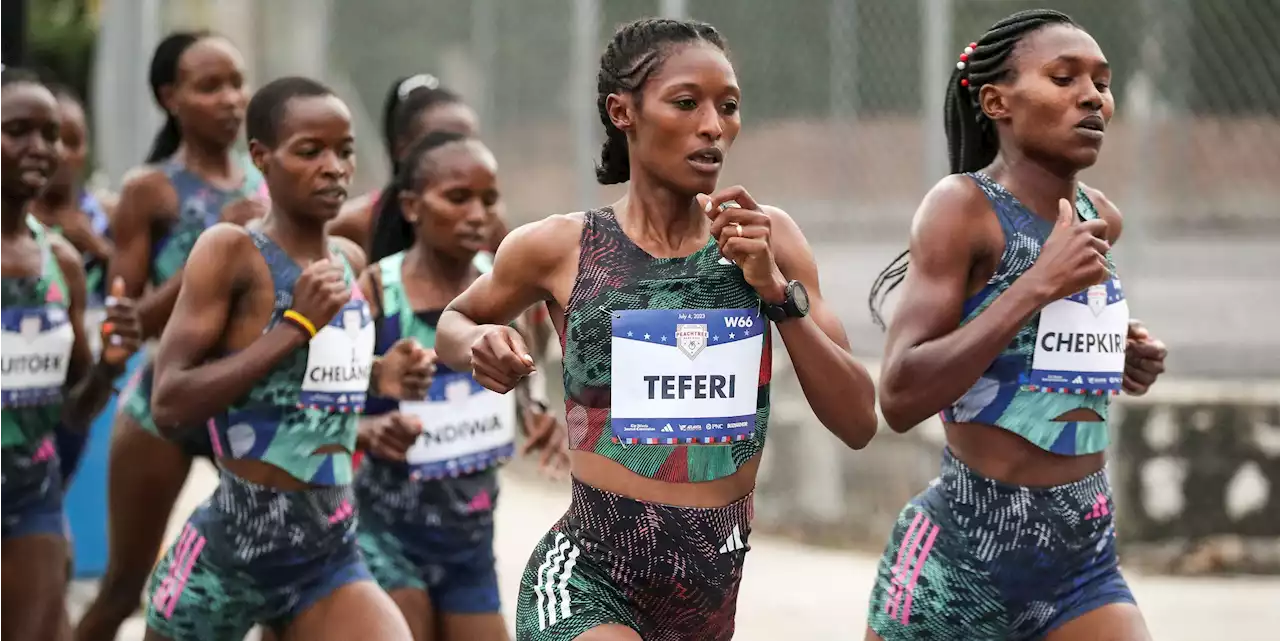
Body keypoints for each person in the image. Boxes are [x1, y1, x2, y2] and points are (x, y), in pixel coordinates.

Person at [435, 17, 879, 641]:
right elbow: (457, 319)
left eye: (728, 106)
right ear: (624, 112)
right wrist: (478, 343)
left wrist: (774, 290)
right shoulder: (562, 246)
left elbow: (859, 421)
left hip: (708, 605)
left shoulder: (767, 237)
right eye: (686, 103)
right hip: (587, 584)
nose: (713, 126)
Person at [864, 9, 1168, 641]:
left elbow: (1036, 356)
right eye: (1064, 78)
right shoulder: (962, 209)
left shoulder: (1100, 217)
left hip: (1083, 553)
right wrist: (1037, 286)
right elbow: (899, 396)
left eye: (1102, 83)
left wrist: (1118, 352)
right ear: (997, 101)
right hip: (964, 562)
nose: (1092, 96)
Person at [143, 75, 432, 641]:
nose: (334, 167)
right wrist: (293, 326)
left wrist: (382, 375)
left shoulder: (349, 259)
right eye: (310, 151)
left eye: (344, 151)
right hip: (231, 554)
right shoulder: (232, 252)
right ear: (261, 157)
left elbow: (303, 386)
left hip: (327, 553)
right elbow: (169, 401)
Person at [74, 30, 267, 641]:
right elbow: (125, 324)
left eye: (236, 82)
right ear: (170, 97)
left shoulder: (265, 184)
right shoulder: (149, 190)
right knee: (123, 591)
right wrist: (215, 248)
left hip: (246, 401)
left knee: (278, 579)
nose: (231, 98)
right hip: (164, 404)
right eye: (210, 86)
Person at [354, 130, 568, 641]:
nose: (478, 213)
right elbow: (323, 398)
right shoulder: (378, 292)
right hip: (386, 533)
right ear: (411, 206)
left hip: (469, 540)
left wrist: (538, 414)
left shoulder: (508, 288)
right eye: (458, 198)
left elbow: (528, 378)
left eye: (489, 200)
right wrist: (370, 424)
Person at [0, 66, 142, 641]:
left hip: (31, 492)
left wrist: (110, 364)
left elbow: (76, 410)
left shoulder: (59, 263)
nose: (41, 149)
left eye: (51, 134)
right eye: (18, 131)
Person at [29, 83, 117, 485]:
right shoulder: (17, 225)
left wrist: (100, 249)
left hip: (82, 378)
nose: (61, 154)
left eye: (73, 141)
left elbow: (132, 294)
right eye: (51, 139)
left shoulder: (105, 215)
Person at [329, 73, 497, 253]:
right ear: (402, 149)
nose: (459, 157)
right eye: (439, 144)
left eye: (467, 144)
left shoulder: (491, 223)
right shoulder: (353, 226)